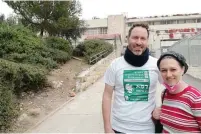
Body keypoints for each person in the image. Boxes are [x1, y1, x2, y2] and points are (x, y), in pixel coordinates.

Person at [102, 23, 162, 133]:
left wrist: (163, 108)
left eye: (143, 38)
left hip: (148, 129)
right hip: (119, 128)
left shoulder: (157, 64)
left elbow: (173, 88)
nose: (139, 42)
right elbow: (107, 96)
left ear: (147, 41)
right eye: (135, 37)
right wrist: (107, 127)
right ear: (128, 38)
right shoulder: (115, 65)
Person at [154, 51, 201, 133]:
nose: (168, 75)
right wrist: (155, 116)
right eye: (164, 70)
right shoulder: (164, 94)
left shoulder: (195, 98)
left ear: (182, 70)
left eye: (173, 69)